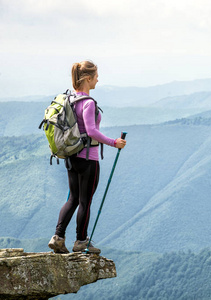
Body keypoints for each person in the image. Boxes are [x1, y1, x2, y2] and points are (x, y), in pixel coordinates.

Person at [48, 60, 126, 254]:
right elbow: (91, 131)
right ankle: (81, 241)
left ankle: (58, 237)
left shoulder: (70, 100)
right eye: (96, 76)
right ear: (88, 78)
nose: (98, 79)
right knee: (85, 202)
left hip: (71, 157)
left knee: (73, 199)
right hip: (88, 159)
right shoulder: (89, 103)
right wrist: (113, 142)